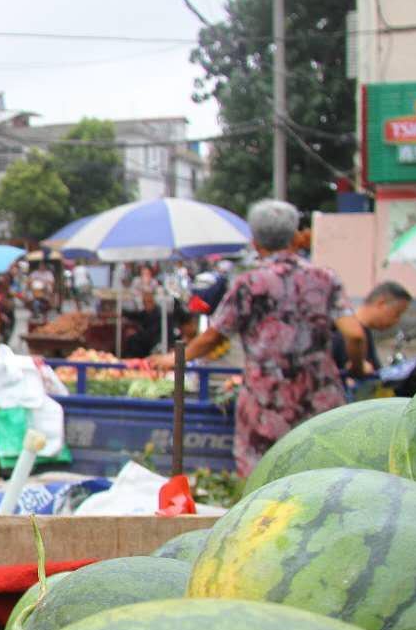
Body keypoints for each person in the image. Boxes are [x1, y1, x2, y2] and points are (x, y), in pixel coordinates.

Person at [150, 200, 366, 477]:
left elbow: (214, 337)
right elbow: (355, 334)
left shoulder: (249, 284)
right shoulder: (325, 278)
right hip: (319, 400)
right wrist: (357, 368)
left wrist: (173, 359)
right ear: (296, 236)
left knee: (264, 483)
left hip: (267, 403)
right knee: (323, 479)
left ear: (255, 243)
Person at [332, 280, 412, 375]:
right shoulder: (347, 334)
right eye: (397, 313)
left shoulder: (366, 331)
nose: (397, 320)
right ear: (381, 303)